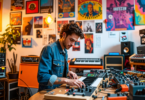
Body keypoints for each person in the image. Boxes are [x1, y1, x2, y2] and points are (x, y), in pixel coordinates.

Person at [37, 23, 85, 91]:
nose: (73, 44)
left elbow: (58, 71)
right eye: (71, 40)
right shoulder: (49, 49)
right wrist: (66, 80)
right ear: (64, 35)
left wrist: (68, 73)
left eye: (75, 41)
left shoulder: (65, 51)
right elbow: (42, 77)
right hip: (48, 92)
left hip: (59, 90)